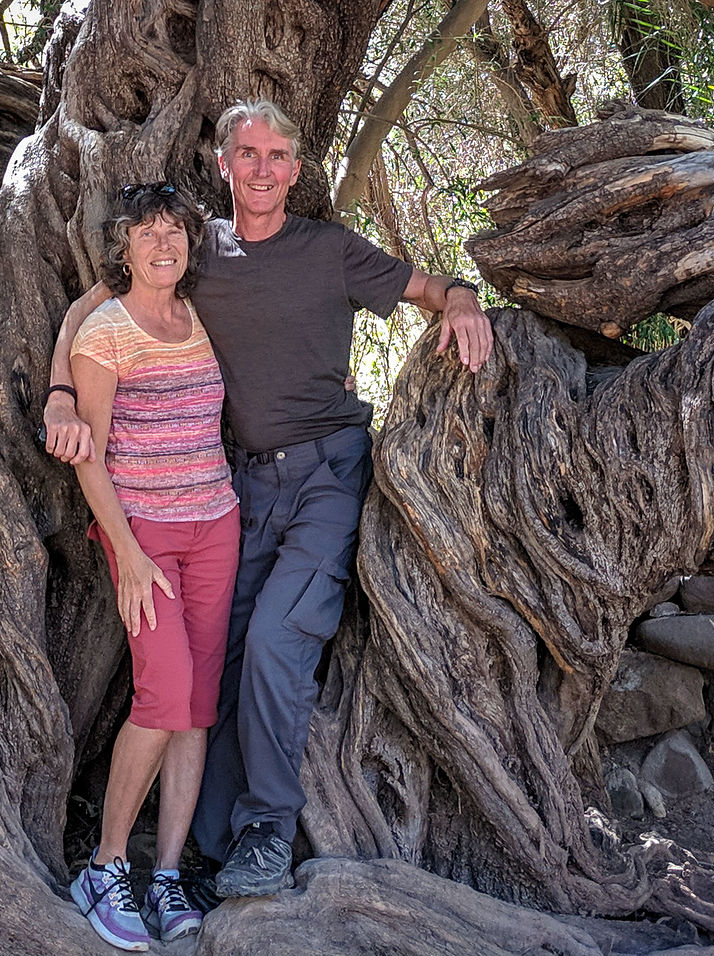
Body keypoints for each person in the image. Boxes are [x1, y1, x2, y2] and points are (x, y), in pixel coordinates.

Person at [46, 100, 493, 901]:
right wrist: (57, 398)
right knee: (214, 665)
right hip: (239, 485)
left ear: (296, 168)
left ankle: (266, 831)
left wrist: (461, 299)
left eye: (276, 155)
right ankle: (196, 851)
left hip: (327, 474)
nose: (261, 169)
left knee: (280, 644)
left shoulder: (330, 251)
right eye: (245, 153)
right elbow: (91, 308)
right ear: (223, 166)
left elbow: (431, 286)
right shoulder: (198, 249)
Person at [61, 182, 239, 951]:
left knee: (196, 706)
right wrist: (126, 552)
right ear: (123, 246)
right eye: (147, 233)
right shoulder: (105, 330)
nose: (163, 244)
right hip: (146, 537)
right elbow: (88, 457)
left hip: (216, 527)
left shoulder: (196, 314)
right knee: (163, 695)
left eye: (175, 230)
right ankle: (104, 867)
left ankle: (165, 875)